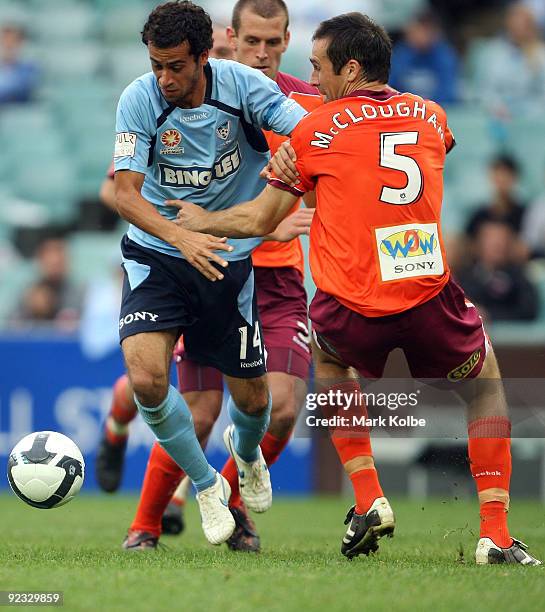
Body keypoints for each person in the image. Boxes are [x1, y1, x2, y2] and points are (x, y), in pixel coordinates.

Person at [175, 12, 541, 565]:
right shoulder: (434, 115)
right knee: (486, 384)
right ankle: (495, 533)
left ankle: (369, 499)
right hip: (423, 290)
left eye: (319, 68)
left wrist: (198, 221)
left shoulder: (311, 130)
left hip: (351, 300)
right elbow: (415, 156)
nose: (313, 80)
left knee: (330, 360)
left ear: (349, 68)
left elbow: (258, 220)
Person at [122, 0, 321, 552]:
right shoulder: (139, 99)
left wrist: (291, 163)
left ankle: (248, 455)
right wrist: (179, 234)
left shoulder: (243, 88)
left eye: (175, 67)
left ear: (205, 56)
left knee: (257, 405)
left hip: (229, 264)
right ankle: (204, 489)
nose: (163, 78)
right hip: (158, 256)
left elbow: (307, 134)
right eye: (156, 65)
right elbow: (121, 192)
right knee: (146, 381)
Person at [457, 221, 539, 322]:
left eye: (502, 240)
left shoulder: (518, 276)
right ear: (477, 244)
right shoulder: (465, 277)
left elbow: (528, 310)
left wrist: (490, 315)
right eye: (491, 240)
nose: (498, 245)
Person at [389, 10, 459, 106]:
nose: (411, 34)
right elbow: (389, 85)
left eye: (418, 30)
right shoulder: (402, 53)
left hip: (436, 111)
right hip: (404, 110)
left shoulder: (444, 56)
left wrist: (425, 109)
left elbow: (447, 92)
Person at [0, 24, 39, 105]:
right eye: (5, 41)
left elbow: (22, 91)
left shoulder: (29, 68)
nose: (9, 45)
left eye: (13, 41)